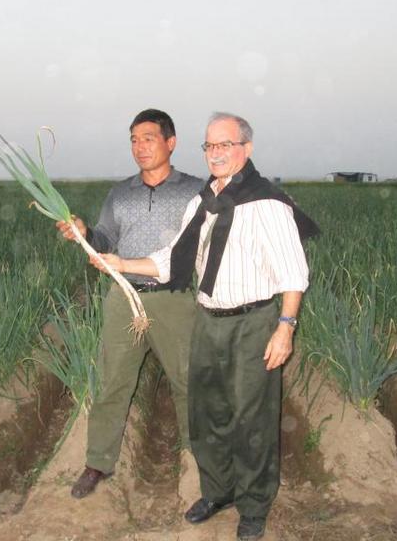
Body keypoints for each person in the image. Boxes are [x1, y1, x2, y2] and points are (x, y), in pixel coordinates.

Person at [90, 112, 319, 540]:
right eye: (210, 146)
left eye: (225, 145)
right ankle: (218, 492)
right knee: (208, 412)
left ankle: (253, 508)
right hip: (209, 320)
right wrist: (119, 262)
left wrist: (285, 327)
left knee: (252, 419)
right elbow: (171, 259)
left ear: (245, 150)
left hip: (254, 322)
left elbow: (293, 272)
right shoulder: (203, 202)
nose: (216, 154)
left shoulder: (266, 202)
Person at [56, 109, 204, 501]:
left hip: (175, 299)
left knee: (188, 380)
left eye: (149, 138)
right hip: (124, 296)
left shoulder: (195, 191)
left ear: (171, 143)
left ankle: (196, 456)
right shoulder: (119, 193)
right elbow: (105, 239)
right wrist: (85, 232)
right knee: (113, 382)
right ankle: (98, 463)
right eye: (134, 140)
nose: (140, 147)